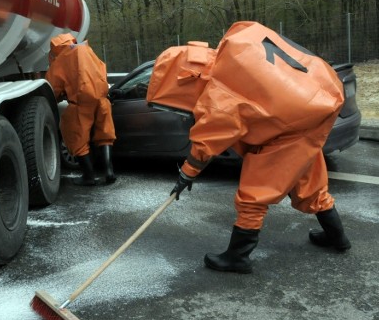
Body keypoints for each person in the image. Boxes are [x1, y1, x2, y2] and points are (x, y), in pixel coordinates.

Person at [147, 22, 351, 273]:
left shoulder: (219, 94)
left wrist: (186, 174)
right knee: (310, 183)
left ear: (185, 81)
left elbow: (206, 143)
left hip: (287, 133)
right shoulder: (232, 58)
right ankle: (337, 237)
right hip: (313, 110)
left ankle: (237, 257)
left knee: (253, 195)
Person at [46, 33, 116, 185]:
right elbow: (102, 70)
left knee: (76, 138)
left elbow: (52, 89)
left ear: (56, 48)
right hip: (102, 99)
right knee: (105, 134)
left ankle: (89, 176)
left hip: (81, 102)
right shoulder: (87, 50)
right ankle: (109, 171)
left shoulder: (61, 60)